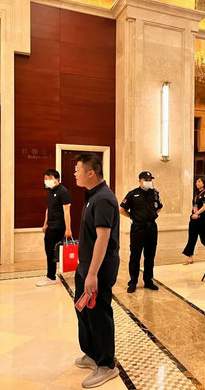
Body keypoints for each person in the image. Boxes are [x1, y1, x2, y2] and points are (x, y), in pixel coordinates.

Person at [73, 153, 120, 388]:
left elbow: (103, 238)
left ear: (91, 173)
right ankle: (92, 353)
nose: (75, 173)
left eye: (77, 169)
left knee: (99, 314)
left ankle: (107, 364)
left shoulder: (103, 199)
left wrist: (92, 274)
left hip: (99, 269)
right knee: (84, 312)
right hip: (86, 266)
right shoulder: (93, 196)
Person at [120, 171, 163, 293]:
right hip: (138, 228)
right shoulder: (132, 194)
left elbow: (159, 207)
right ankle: (133, 282)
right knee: (135, 256)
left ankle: (148, 281)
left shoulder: (155, 193)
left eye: (150, 180)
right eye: (146, 180)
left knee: (150, 256)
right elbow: (122, 209)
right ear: (140, 181)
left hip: (151, 228)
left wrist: (151, 215)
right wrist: (134, 217)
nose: (148, 182)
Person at [37, 169, 72, 287]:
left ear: (57, 179)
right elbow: (49, 209)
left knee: (51, 251)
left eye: (49, 178)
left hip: (58, 226)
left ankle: (50, 277)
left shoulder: (63, 192)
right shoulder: (50, 192)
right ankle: (50, 275)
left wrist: (68, 229)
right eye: (45, 179)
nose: (47, 181)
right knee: (49, 251)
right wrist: (45, 223)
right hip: (50, 226)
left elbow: (66, 212)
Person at [182, 177, 205, 265]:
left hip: (202, 219)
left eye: (199, 181)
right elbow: (195, 205)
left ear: (203, 183)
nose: (197, 183)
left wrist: (197, 213)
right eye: (196, 182)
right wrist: (193, 214)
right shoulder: (197, 193)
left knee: (204, 238)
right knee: (191, 238)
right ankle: (190, 257)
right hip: (193, 218)